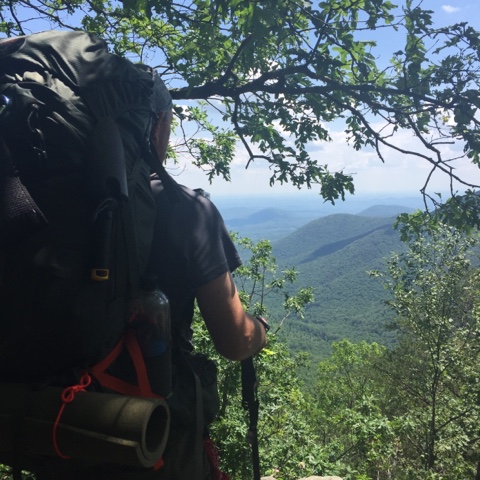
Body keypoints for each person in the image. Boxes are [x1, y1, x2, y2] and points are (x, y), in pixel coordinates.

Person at [146, 76, 269, 480]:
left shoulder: (38, 204)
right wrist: (259, 331)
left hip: (54, 420)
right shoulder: (186, 211)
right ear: (159, 124)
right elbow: (235, 341)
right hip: (152, 429)